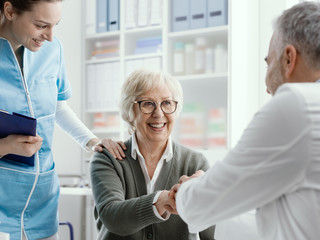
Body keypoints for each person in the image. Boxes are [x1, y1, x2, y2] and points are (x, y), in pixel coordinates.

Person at [169, 2, 320, 240]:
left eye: (269, 62)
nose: (266, 84)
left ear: (289, 59)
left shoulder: (297, 105)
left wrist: (191, 187)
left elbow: (202, 203)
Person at [0, 1, 125, 239]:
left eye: (55, 25)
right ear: (10, 11)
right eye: (41, 25)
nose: (48, 36)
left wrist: (91, 141)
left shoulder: (52, 49)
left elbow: (56, 107)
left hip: (42, 200)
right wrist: (5, 147)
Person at [90, 69, 215, 240]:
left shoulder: (195, 163)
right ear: (129, 111)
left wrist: (206, 200)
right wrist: (162, 200)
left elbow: (210, 233)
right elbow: (113, 217)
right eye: (148, 103)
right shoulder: (108, 158)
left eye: (167, 103)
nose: (159, 113)